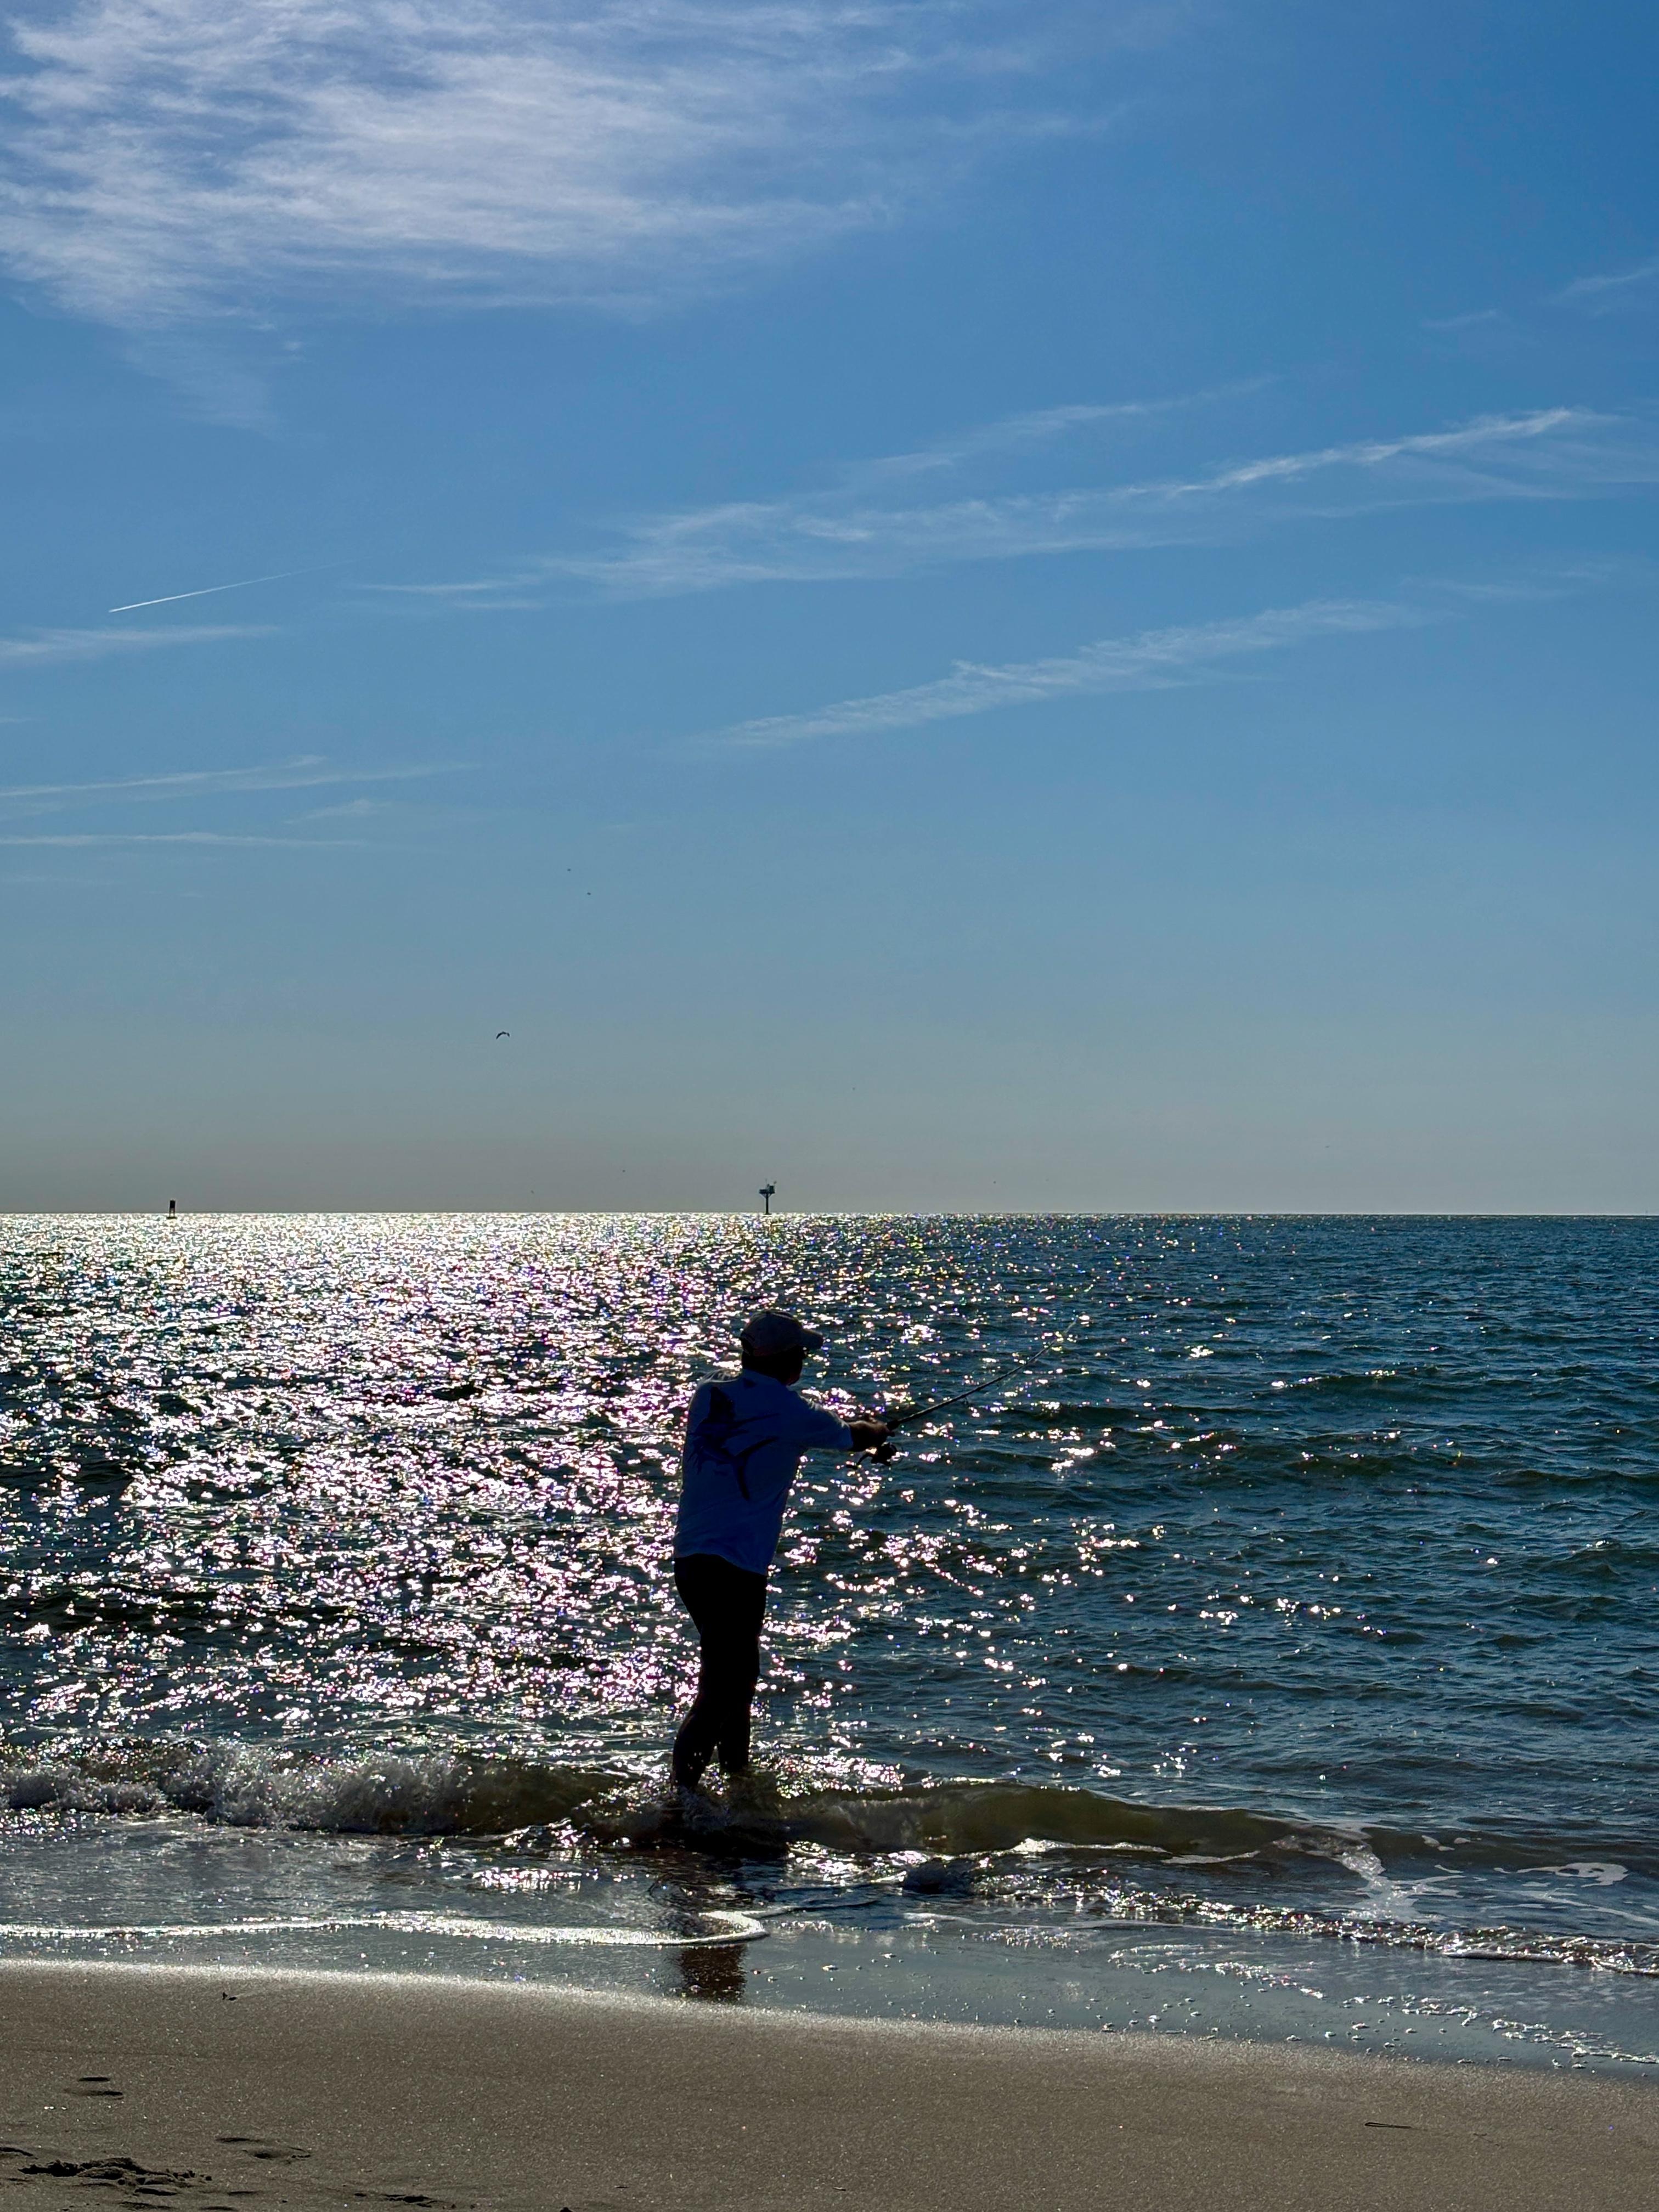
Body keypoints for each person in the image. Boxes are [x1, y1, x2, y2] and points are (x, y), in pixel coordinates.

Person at [670, 1310, 888, 1790]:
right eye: (802, 1353)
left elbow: (780, 1430)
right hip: (734, 1568)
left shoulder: (708, 1396)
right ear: (790, 1360)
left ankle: (737, 1784)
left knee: (740, 1680)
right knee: (721, 1689)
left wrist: (861, 1436)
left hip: (691, 1559)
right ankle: (681, 1805)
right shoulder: (794, 1413)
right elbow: (854, 1435)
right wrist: (879, 1432)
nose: (805, 1360)